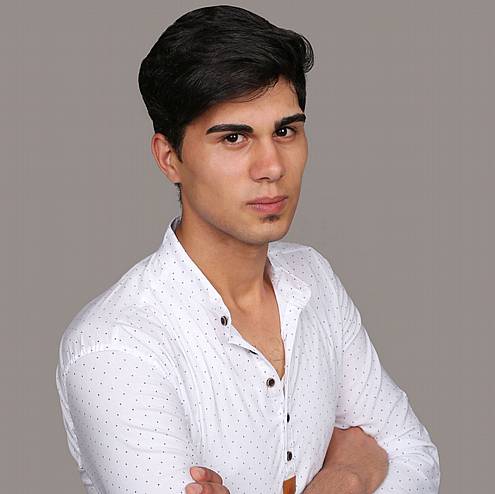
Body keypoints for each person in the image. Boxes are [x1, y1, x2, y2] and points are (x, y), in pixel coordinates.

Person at [55, 5, 440, 494]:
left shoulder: (313, 279)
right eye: (234, 137)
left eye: (285, 131)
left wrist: (348, 474)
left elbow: (416, 457)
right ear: (169, 157)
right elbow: (390, 456)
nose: (271, 167)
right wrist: (357, 468)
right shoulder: (115, 346)